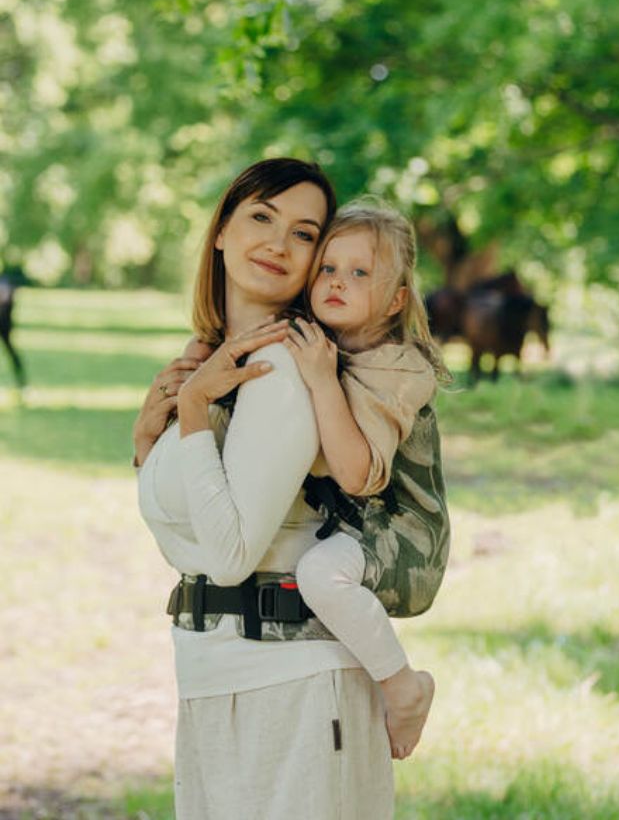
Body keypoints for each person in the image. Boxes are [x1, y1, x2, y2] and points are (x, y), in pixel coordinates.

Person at [135, 159, 396, 820]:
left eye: (304, 233)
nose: (279, 243)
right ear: (221, 230)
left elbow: (226, 557)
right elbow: (187, 543)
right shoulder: (217, 361)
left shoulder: (281, 365)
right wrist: (149, 443)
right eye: (261, 216)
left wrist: (192, 413)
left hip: (295, 689)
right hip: (213, 676)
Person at [284, 201, 448, 760]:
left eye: (360, 273)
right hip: (358, 525)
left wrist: (321, 380)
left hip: (407, 538)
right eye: (328, 269)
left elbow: (355, 474)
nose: (337, 282)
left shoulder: (400, 368)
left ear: (396, 298)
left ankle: (404, 688)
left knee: (319, 574)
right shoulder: (317, 342)